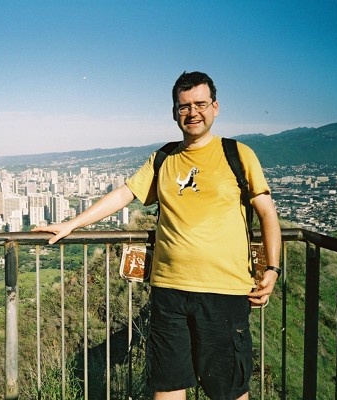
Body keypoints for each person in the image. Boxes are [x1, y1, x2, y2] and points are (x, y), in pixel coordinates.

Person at [32, 71, 281, 400]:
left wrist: (272, 269)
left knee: (229, 392)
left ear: (215, 107)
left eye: (200, 104)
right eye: (184, 106)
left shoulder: (237, 154)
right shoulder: (164, 158)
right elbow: (124, 194)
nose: (192, 112)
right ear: (175, 112)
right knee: (166, 389)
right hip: (169, 292)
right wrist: (72, 224)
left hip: (223, 291)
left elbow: (267, 212)